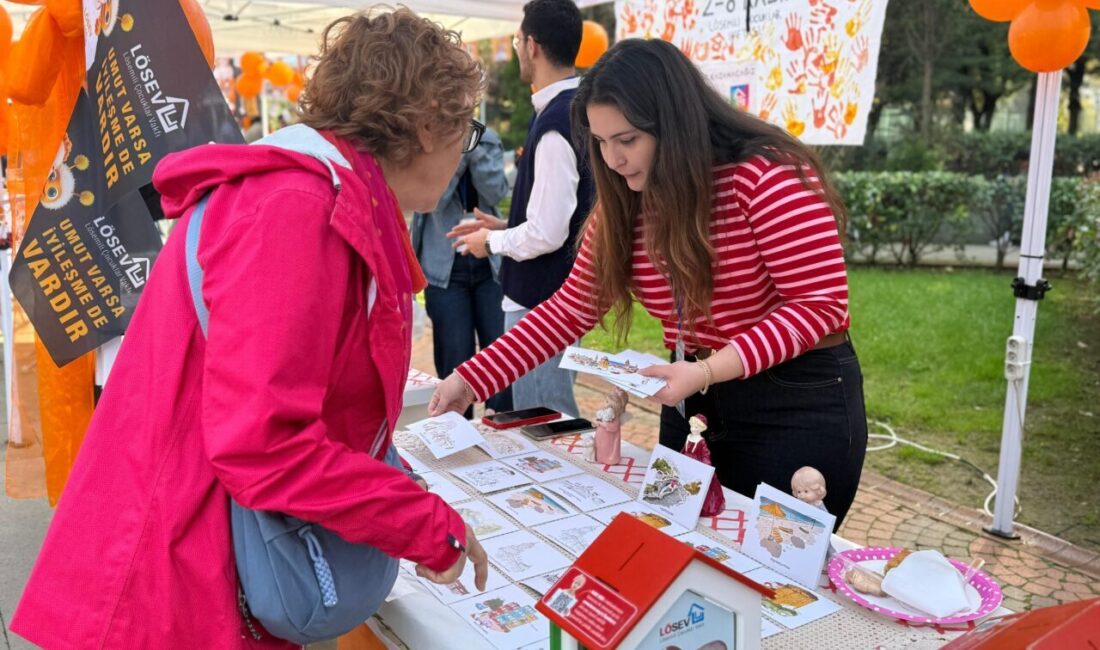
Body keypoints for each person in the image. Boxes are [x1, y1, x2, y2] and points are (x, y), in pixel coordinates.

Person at [12, 9, 488, 648]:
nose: (466, 149)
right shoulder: (293, 207)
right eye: (469, 128)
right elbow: (263, 443)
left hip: (200, 553)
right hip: (176, 577)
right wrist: (421, 522)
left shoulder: (320, 195)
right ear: (429, 125)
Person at [432, 38, 867, 526]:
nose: (613, 160)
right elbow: (570, 308)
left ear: (676, 124)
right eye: (600, 142)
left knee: (771, 565)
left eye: (628, 139)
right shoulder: (626, 201)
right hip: (694, 394)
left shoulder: (766, 175)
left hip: (792, 401)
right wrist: (472, 378)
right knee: (681, 540)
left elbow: (820, 305)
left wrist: (707, 370)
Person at [449, 0, 593, 417]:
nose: (516, 49)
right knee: (541, 413)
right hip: (560, 294)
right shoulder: (573, 110)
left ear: (531, 45)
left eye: (516, 40)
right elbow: (563, 213)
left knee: (543, 417)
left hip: (542, 299)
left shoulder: (556, 121)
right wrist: (507, 224)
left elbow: (550, 231)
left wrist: (491, 241)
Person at [411, 127, 513, 418]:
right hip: (444, 265)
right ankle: (455, 435)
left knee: (500, 355)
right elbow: (434, 199)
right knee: (454, 355)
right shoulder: (428, 140)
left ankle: (503, 430)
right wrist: (458, 152)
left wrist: (475, 147)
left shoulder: (489, 138)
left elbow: (496, 191)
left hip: (489, 263)